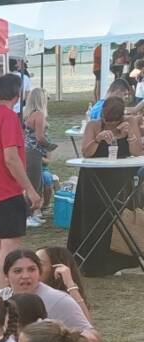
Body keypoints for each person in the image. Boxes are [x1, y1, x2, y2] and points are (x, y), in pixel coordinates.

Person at [0, 74, 42, 290]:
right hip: (6, 190)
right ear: (17, 93)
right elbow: (11, 158)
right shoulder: (8, 117)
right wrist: (30, 189)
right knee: (9, 246)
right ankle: (4, 291)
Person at [69, 97, 144, 276]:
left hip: (120, 176)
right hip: (95, 176)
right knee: (94, 215)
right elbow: (86, 153)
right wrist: (97, 139)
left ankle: (117, 259)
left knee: (118, 215)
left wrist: (130, 135)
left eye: (113, 122)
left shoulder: (130, 122)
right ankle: (91, 260)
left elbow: (136, 152)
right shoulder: (93, 125)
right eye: (106, 120)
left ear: (121, 117)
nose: (109, 125)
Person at [23, 88, 53, 227]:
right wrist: (50, 146)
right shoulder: (39, 115)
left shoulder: (29, 114)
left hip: (30, 151)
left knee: (37, 182)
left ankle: (32, 213)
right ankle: (27, 215)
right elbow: (39, 137)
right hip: (34, 152)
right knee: (33, 184)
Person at [36, 246, 91, 321]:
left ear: (56, 268)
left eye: (39, 263)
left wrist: (69, 284)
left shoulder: (63, 300)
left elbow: (86, 324)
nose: (34, 267)